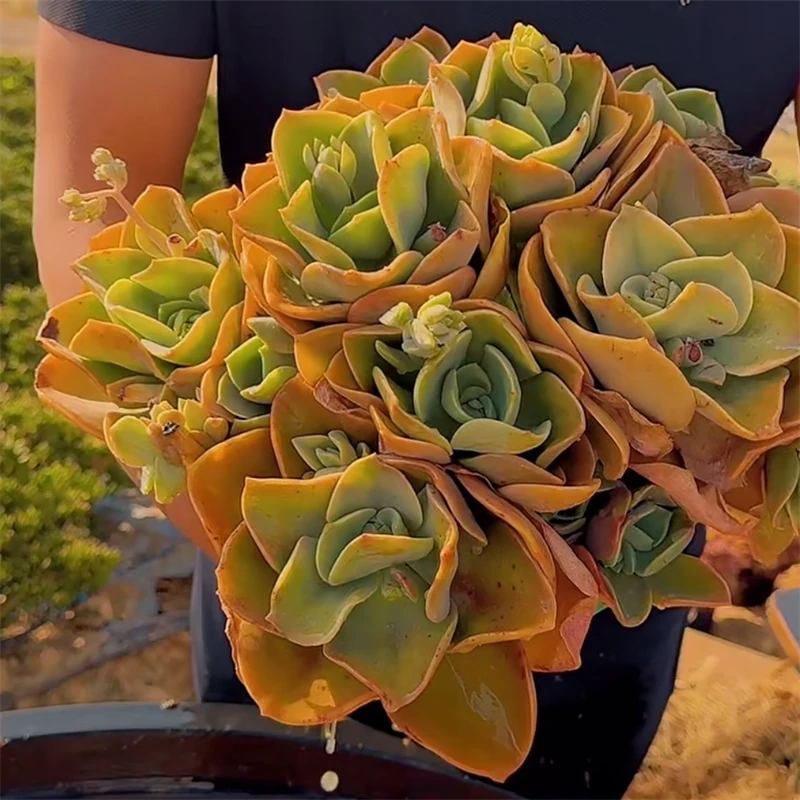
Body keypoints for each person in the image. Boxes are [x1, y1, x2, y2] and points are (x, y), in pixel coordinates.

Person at [34, 2, 800, 797]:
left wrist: (745, 471)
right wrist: (222, 502)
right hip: (278, 518)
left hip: (619, 555)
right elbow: (87, 200)